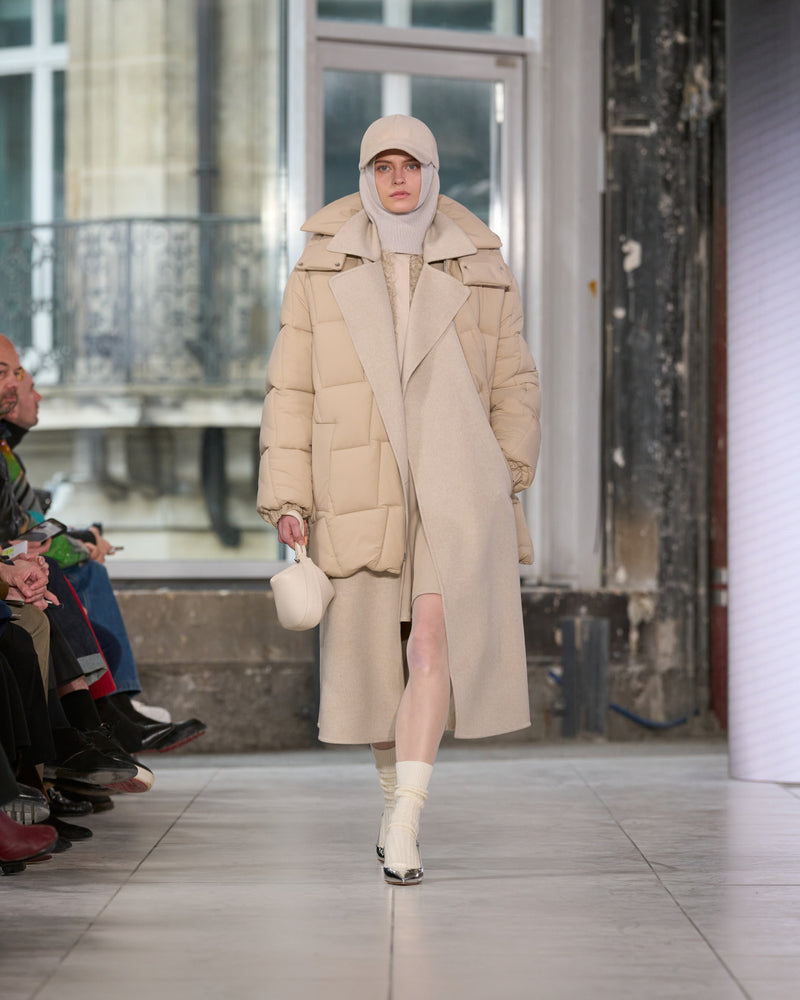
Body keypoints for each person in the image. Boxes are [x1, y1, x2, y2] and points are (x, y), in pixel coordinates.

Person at [259, 115, 541, 885]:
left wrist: (505, 471)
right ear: (365, 176)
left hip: (455, 483)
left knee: (428, 649)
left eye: (410, 164)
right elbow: (291, 386)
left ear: (431, 171)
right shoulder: (322, 263)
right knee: (377, 666)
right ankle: (392, 805)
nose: (397, 180)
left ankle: (408, 820)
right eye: (382, 166)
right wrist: (288, 494)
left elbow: (515, 377)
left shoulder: (480, 262)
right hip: (358, 479)